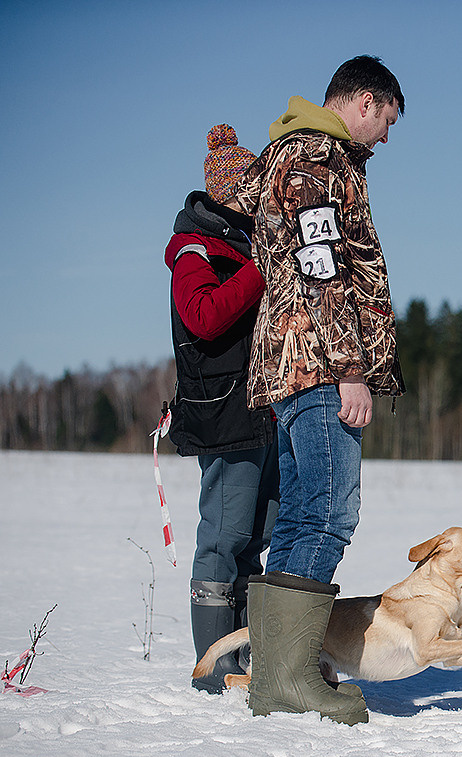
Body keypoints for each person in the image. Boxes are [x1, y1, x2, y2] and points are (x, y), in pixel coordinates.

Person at [230, 55, 405, 725]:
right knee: (329, 513)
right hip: (319, 366)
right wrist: (351, 371)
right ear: (363, 102)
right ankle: (290, 674)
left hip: (295, 365)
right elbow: (321, 267)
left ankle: (281, 674)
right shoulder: (313, 162)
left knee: (304, 515)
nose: (385, 138)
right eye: (386, 121)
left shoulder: (299, 157)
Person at [165, 125, 277, 694]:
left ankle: (247, 656)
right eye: (253, 187)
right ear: (231, 193)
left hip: (262, 412)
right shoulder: (194, 251)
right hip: (225, 415)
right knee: (224, 537)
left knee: (258, 539)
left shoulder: (247, 246)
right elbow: (204, 316)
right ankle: (213, 671)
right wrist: (262, 272)